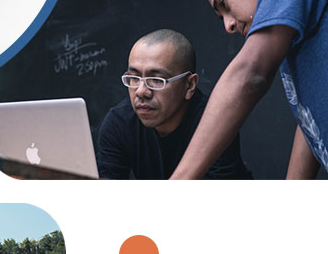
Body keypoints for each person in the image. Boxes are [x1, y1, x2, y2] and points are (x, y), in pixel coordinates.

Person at [171, 0, 328, 179]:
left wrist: (179, 181)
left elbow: (250, 74)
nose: (228, 25)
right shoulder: (291, 40)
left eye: (223, 2)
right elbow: (309, 121)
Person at [96, 29, 252, 179]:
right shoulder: (119, 123)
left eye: (157, 80)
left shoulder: (216, 124)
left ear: (189, 85)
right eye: (134, 78)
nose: (141, 91)